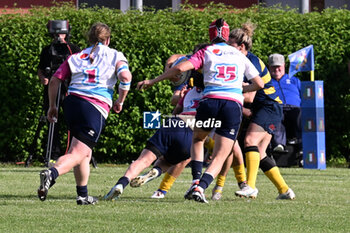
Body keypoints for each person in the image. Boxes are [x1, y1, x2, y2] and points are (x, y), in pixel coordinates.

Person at [137, 18, 264, 203]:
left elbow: (179, 68)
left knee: (197, 139)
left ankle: (196, 180)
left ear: (210, 35)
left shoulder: (207, 51)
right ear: (228, 35)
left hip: (210, 101)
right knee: (221, 155)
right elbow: (259, 84)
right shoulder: (239, 55)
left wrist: (152, 81)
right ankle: (201, 187)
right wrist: (237, 88)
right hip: (232, 105)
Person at [37, 22, 132, 205]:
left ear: (88, 39)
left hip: (72, 103)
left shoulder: (77, 56)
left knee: (84, 151)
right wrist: (120, 101)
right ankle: (52, 173)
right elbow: (126, 77)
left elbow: (55, 80)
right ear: (108, 39)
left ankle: (82, 195)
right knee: (78, 152)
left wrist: (52, 106)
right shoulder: (114, 55)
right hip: (93, 106)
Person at [103, 75, 205, 201]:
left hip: (174, 123)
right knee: (170, 162)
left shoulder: (189, 92)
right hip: (192, 132)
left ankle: (121, 184)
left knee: (143, 160)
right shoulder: (213, 96)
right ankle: (157, 172)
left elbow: (176, 112)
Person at [227, 23, 296, 200]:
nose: (227, 49)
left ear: (241, 47)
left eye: (231, 45)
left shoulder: (251, 62)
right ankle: (284, 190)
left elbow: (249, 98)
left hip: (270, 107)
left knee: (250, 140)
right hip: (266, 108)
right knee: (261, 152)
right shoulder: (241, 60)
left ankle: (250, 187)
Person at [38, 20, 81, 165]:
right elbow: (41, 68)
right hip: (52, 91)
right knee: (52, 121)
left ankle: (73, 153)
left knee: (73, 122)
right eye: (57, 33)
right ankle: (53, 154)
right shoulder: (47, 50)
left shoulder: (74, 49)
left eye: (62, 33)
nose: (59, 36)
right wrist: (43, 78)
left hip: (70, 90)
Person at [268, 53, 302, 152]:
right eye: (273, 67)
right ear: (269, 67)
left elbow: (304, 96)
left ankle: (302, 148)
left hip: (295, 108)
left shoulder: (294, 80)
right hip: (277, 107)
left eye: (278, 67)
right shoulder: (266, 81)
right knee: (276, 115)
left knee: (301, 114)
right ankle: (279, 145)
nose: (276, 69)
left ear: (284, 66)